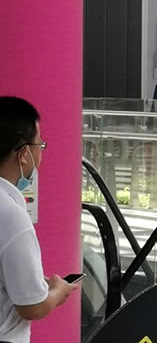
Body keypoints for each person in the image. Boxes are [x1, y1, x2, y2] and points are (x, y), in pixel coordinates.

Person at [0, 96, 77, 342]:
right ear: (24, 154)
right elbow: (32, 307)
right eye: (39, 145)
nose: (40, 153)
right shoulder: (11, 215)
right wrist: (58, 292)